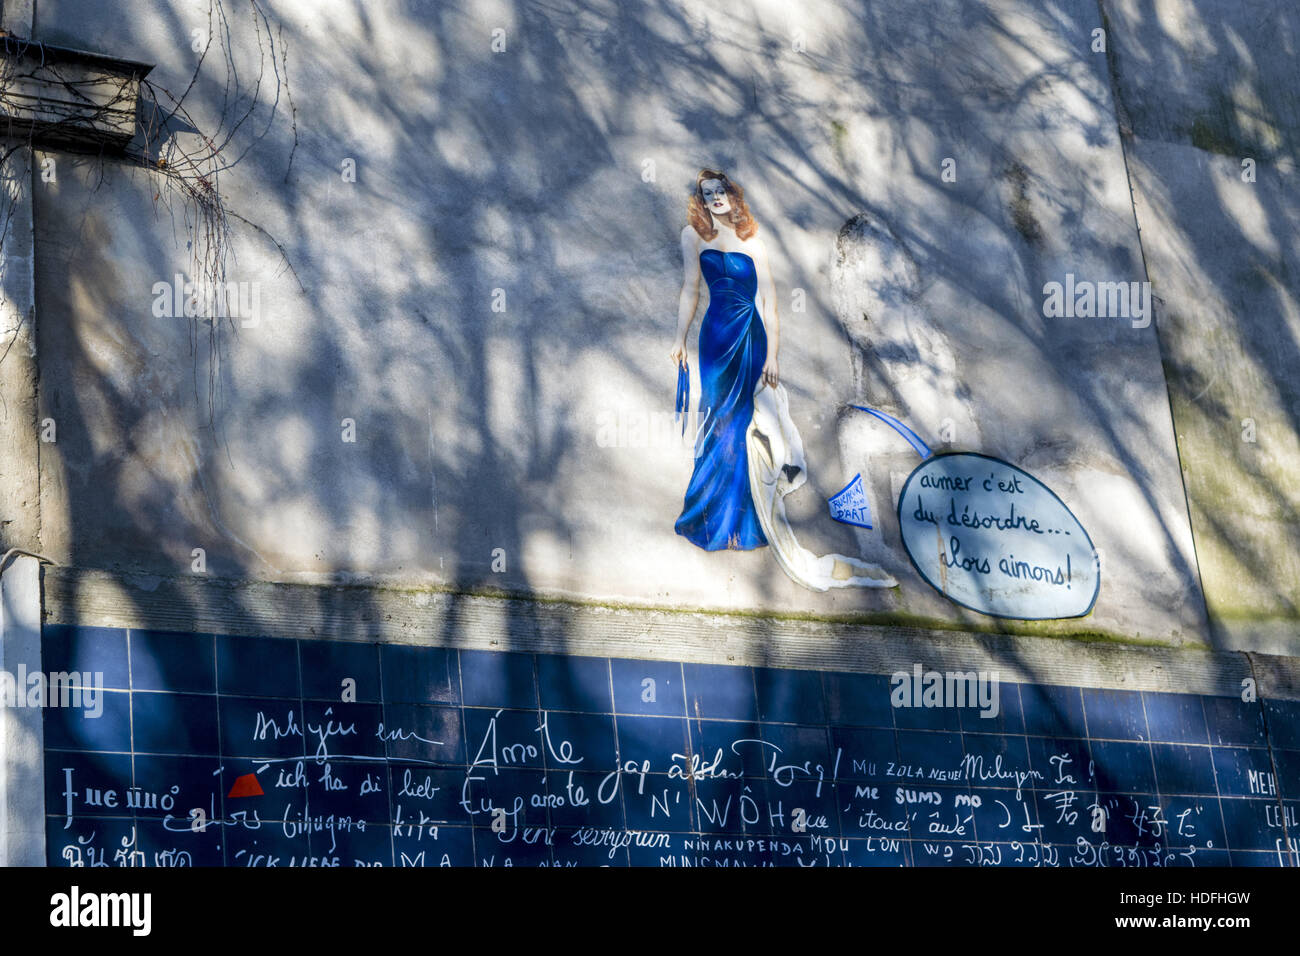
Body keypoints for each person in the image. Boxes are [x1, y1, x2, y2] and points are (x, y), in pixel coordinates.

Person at [670, 169, 774, 551]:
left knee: (742, 422)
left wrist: (773, 356)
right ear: (702, 199)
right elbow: (690, 290)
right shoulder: (693, 237)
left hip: (750, 335)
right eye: (707, 192)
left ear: (732, 195)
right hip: (715, 336)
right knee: (716, 417)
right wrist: (680, 339)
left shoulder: (754, 243)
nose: (715, 197)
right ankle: (709, 516)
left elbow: (769, 303)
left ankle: (741, 524)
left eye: (721, 190)